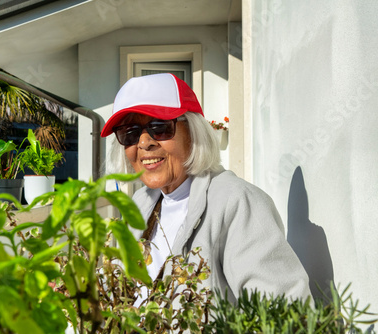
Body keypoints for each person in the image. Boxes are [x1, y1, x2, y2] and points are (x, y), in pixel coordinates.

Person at [100, 73, 311, 303]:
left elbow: (283, 309)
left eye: (159, 127)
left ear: (193, 132)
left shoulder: (236, 202)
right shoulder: (141, 203)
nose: (143, 143)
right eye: (129, 133)